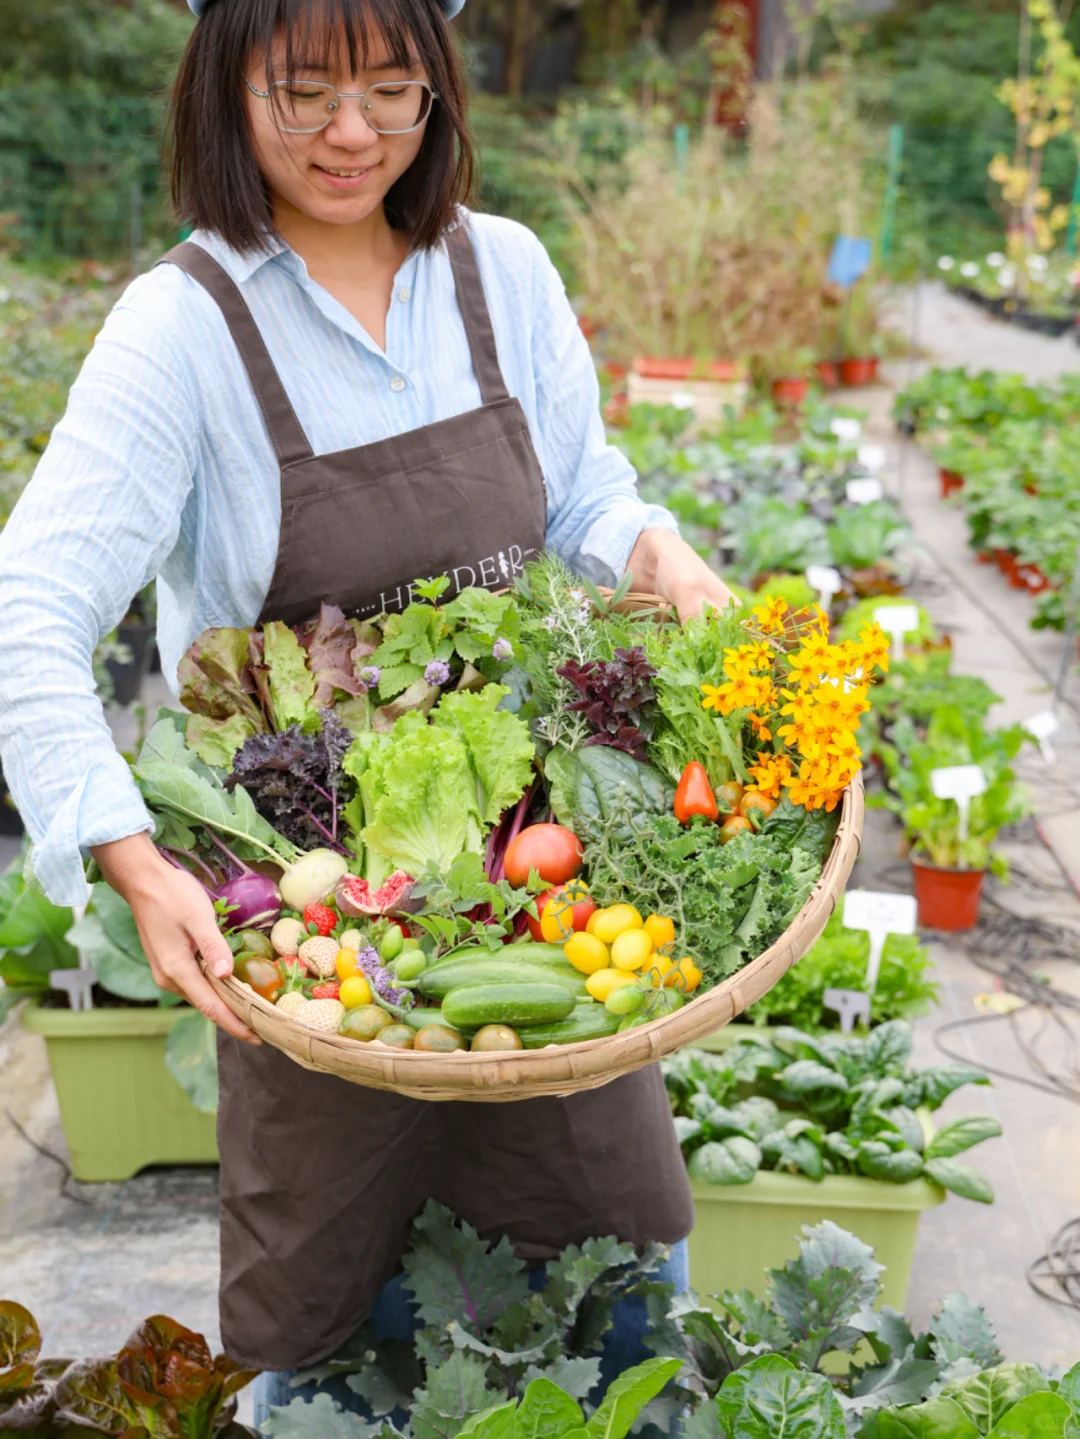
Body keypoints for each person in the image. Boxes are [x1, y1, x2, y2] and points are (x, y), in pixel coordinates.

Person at [0, 0, 735, 1423]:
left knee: (616, 1294)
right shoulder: (184, 328)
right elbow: (27, 602)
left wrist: (660, 554)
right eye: (307, 94)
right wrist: (126, 852)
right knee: (344, 1342)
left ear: (440, 91)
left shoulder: (500, 270)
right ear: (227, 85)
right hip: (323, 939)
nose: (354, 134)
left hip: (544, 909)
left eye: (394, 92)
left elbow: (584, 492)